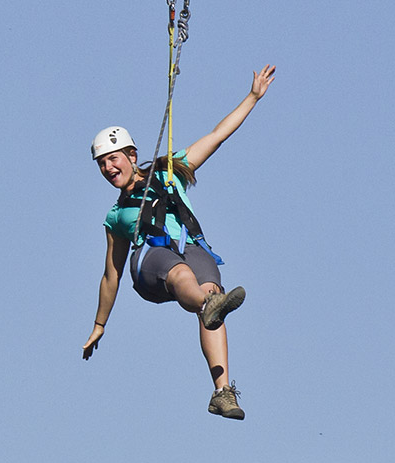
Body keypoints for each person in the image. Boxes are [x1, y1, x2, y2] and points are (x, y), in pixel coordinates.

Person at [82, 65, 276, 419]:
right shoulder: (116, 217)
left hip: (189, 245)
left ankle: (223, 393)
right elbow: (111, 275)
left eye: (113, 159)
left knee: (211, 290)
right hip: (151, 261)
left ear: (130, 155)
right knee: (183, 276)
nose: (109, 168)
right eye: (102, 164)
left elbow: (217, 136)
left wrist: (252, 97)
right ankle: (207, 304)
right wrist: (99, 324)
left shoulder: (169, 170)